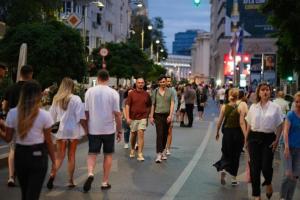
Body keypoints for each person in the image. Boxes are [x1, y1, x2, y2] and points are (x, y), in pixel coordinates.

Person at [0, 80, 56, 200]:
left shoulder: (13, 113)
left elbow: (8, 138)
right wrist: (54, 161)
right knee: (33, 194)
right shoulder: (44, 115)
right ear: (38, 96)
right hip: (39, 155)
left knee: (25, 194)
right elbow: (48, 141)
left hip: (20, 155)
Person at [83, 69, 122, 192]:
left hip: (94, 129)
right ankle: (105, 182)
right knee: (108, 155)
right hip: (108, 129)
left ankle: (90, 173)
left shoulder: (89, 91)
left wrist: (86, 128)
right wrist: (119, 130)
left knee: (92, 153)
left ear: (98, 78)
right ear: (108, 79)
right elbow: (117, 114)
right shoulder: (113, 93)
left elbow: (86, 112)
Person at [46, 77, 87, 189]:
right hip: (73, 130)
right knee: (71, 156)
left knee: (60, 156)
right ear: (71, 87)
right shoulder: (76, 98)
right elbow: (81, 117)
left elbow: (51, 116)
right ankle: (70, 180)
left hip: (61, 130)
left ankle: (52, 175)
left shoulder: (56, 98)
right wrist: (86, 129)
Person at [245, 82, 284, 200]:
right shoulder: (253, 107)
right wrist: (246, 140)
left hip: (269, 138)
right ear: (259, 92)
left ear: (270, 92)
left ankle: (268, 183)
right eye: (262, 90)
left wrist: (277, 140)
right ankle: (256, 195)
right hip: (254, 138)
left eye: (267, 90)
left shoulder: (275, 107)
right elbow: (249, 125)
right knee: (254, 167)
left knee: (266, 166)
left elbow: (280, 124)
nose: (265, 92)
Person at [2, 65, 33, 187]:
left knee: (13, 149)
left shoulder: (11, 88)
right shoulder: (32, 88)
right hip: (29, 121)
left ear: (20, 73)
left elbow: (4, 106)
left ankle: (11, 177)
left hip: (13, 119)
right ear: (30, 74)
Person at [213, 88, 248, 186]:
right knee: (235, 155)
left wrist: (217, 132)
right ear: (238, 96)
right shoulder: (241, 106)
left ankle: (223, 168)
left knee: (226, 152)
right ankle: (233, 178)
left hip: (227, 133)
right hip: (238, 133)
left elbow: (219, 121)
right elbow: (242, 122)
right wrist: (246, 135)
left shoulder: (224, 106)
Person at [149, 75, 174, 163]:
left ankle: (163, 151)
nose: (163, 83)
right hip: (158, 115)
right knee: (159, 134)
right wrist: (151, 116)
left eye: (164, 81)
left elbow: (172, 104)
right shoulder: (155, 92)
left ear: (166, 82)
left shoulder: (170, 91)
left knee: (165, 134)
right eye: (161, 82)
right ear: (159, 83)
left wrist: (170, 115)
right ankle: (159, 154)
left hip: (167, 115)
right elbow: (153, 105)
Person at [280, 92, 300, 200]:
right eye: (296, 101)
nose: (298, 104)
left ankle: (289, 198)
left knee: (295, 176)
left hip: (298, 148)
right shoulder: (291, 115)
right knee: (288, 173)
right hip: (287, 146)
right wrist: (286, 147)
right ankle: (283, 197)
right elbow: (286, 132)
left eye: (299, 102)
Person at [126, 77, 151, 161]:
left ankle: (140, 153)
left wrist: (148, 115)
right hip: (133, 117)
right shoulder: (131, 93)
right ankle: (132, 148)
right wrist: (127, 117)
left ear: (144, 84)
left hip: (143, 117)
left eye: (142, 83)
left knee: (141, 133)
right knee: (133, 134)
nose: (140, 84)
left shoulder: (146, 94)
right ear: (136, 84)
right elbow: (127, 106)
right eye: (139, 82)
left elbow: (149, 105)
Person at [165, 76, 178, 155]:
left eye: (170, 81)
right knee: (162, 132)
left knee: (169, 131)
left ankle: (168, 148)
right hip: (162, 113)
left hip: (171, 113)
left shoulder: (173, 90)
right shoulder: (160, 90)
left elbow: (176, 102)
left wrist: (173, 112)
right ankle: (162, 147)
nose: (169, 82)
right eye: (167, 81)